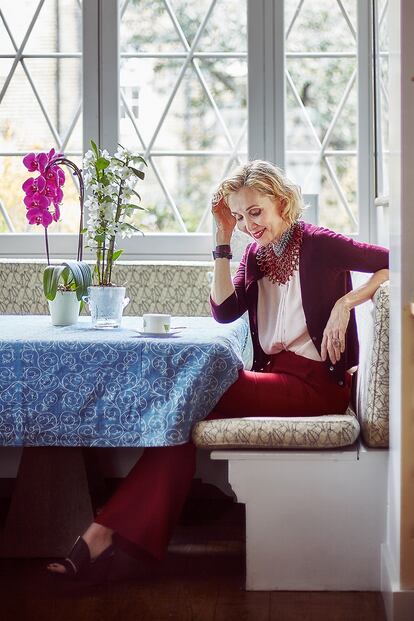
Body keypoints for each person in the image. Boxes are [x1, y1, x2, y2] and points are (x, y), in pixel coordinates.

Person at [47, 159, 389, 580]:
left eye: (256, 213)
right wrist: (223, 240)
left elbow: (396, 262)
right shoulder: (256, 255)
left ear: (282, 202)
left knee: (187, 392)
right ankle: (111, 537)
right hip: (276, 378)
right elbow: (225, 311)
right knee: (183, 408)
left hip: (316, 385)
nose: (249, 224)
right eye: (241, 216)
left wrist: (346, 303)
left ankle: (107, 538)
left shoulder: (319, 243)